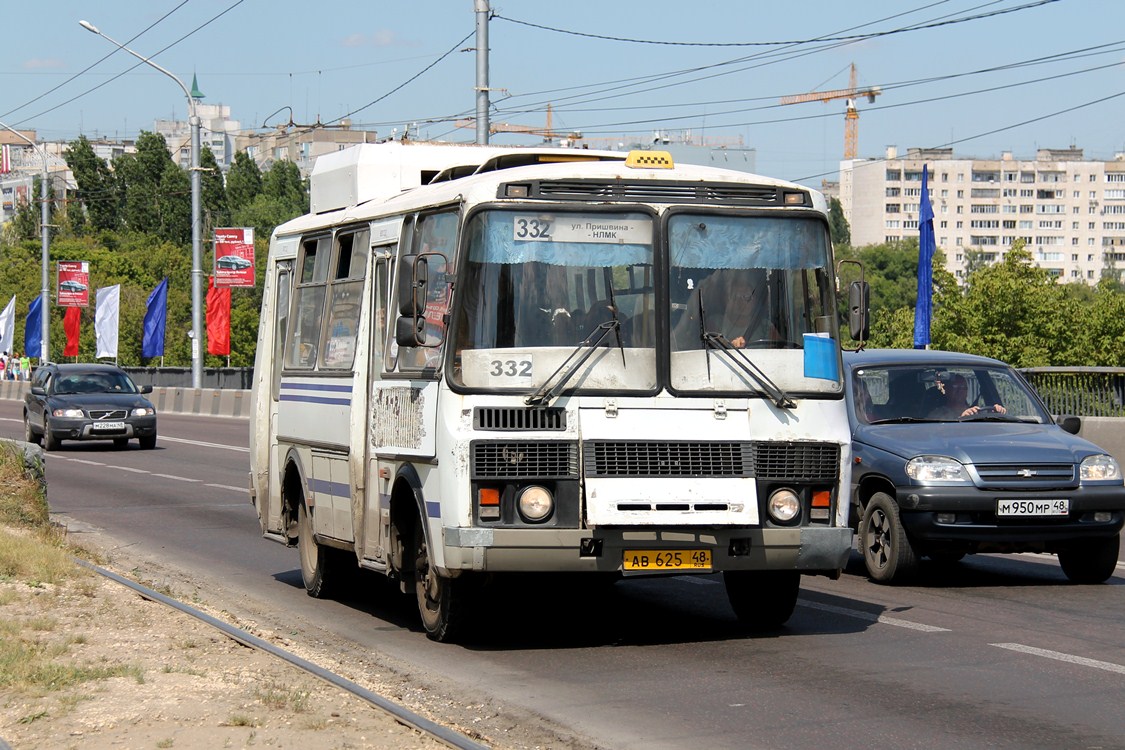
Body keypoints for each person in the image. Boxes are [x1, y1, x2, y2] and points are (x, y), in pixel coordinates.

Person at [927, 374, 1006, 419]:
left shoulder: (978, 411)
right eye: (955, 388)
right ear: (947, 390)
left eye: (963, 388)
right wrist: (961, 418)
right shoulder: (938, 414)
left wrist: (995, 413)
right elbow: (936, 433)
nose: (960, 391)